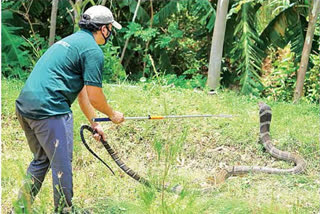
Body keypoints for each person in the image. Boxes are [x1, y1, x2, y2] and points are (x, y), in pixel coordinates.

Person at [14, 5, 124, 213]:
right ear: (103, 29)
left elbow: (82, 93)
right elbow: (95, 96)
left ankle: (21, 208)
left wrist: (95, 122)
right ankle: (65, 210)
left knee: (42, 160)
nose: (110, 33)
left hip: (25, 106)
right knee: (61, 163)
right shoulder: (92, 51)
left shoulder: (70, 42)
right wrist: (112, 114)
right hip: (50, 110)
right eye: (110, 28)